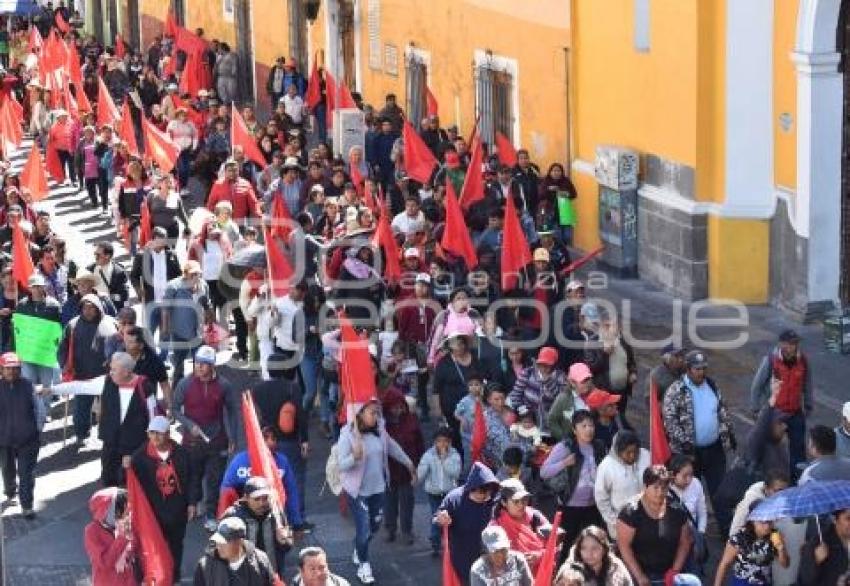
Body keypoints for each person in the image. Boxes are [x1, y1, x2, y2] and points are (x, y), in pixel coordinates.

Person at [337, 399, 416, 584]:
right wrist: (353, 458)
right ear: (360, 414)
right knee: (364, 529)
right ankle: (364, 566)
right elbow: (341, 465)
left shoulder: (379, 430)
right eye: (372, 412)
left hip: (378, 489)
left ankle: (359, 548)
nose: (376, 416)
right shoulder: (347, 434)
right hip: (357, 492)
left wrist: (408, 463)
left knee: (373, 527)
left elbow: (392, 448)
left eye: (377, 412)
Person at [173, 345, 239, 532]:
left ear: (212, 366)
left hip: (218, 439)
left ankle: (211, 514)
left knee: (214, 479)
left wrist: (233, 436)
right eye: (197, 363)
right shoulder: (184, 384)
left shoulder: (224, 385)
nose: (199, 368)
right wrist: (188, 424)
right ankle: (193, 504)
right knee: (193, 476)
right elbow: (175, 409)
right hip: (192, 441)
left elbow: (233, 411)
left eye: (203, 364)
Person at [662, 350, 736, 505]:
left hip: (715, 450)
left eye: (704, 368)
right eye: (697, 369)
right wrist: (685, 443)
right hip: (689, 453)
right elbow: (669, 421)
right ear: (688, 369)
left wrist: (728, 433)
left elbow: (722, 410)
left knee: (720, 493)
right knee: (689, 496)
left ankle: (725, 527)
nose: (701, 372)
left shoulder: (712, 385)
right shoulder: (676, 390)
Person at [131, 415, 197, 582]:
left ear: (168, 434)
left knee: (176, 545)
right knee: (153, 545)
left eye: (158, 433)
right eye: (151, 433)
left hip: (177, 509)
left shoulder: (182, 454)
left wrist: (192, 503)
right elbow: (129, 479)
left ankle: (174, 577)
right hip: (153, 511)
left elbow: (192, 479)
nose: (154, 437)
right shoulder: (140, 456)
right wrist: (124, 466)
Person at [250, 353, 311, 531]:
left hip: (265, 441)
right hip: (289, 440)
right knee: (296, 479)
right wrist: (305, 439)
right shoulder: (292, 388)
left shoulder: (258, 389)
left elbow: (255, 416)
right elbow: (300, 415)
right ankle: (297, 519)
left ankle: (273, 516)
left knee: (268, 478)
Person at [540, 409, 606, 551]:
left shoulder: (598, 446)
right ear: (574, 429)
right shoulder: (565, 447)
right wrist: (564, 463)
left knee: (594, 543)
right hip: (570, 506)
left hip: (593, 505)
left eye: (591, 426)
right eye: (583, 426)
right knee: (566, 545)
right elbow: (544, 472)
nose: (589, 430)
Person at [750, 329, 812, 479]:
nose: (793, 347)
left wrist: (808, 403)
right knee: (769, 447)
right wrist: (756, 409)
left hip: (795, 412)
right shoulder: (770, 361)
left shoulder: (803, 360)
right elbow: (757, 386)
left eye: (795, 344)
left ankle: (797, 480)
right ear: (781, 344)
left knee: (798, 450)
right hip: (775, 413)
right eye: (790, 343)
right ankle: (761, 477)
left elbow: (807, 383)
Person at [617, 466, 692, 586]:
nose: (660, 492)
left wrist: (674, 571)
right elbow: (624, 546)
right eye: (655, 487)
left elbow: (685, 541)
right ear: (645, 487)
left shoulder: (676, 508)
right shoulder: (630, 512)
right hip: (639, 573)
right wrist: (640, 577)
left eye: (664, 487)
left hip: (670, 571)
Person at [59, 294, 117, 447]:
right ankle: (81, 433)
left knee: (109, 408)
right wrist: (64, 364)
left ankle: (108, 436)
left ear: (98, 308)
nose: (88, 311)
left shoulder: (111, 323)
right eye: (85, 307)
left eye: (92, 307)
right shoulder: (72, 325)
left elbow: (121, 345)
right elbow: (63, 348)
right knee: (81, 410)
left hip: (107, 375)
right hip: (82, 374)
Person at [218, 427, 302, 528]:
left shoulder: (282, 462)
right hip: (244, 516)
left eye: (273, 438)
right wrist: (225, 524)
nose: (270, 442)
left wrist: (296, 522)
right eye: (265, 438)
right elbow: (226, 492)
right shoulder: (239, 461)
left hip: (273, 514)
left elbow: (291, 492)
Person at [436, 461, 501, 584]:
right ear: (471, 488)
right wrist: (441, 519)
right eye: (481, 493)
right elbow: (438, 518)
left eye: (488, 492)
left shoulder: (493, 499)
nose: (484, 496)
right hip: (462, 558)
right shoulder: (454, 499)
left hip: (489, 559)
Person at [97, 352, 156, 487]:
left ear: (126, 372)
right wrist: (51, 389)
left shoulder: (145, 387)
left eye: (114, 370)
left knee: (133, 485)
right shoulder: (107, 381)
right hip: (111, 445)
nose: (110, 373)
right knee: (108, 480)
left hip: (134, 448)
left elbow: (154, 418)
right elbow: (81, 385)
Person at [0, 352, 45, 519]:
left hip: (28, 440)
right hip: (4, 440)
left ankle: (27, 506)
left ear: (20, 369)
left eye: (14, 368)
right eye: (7, 369)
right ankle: (10, 491)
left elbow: (39, 410)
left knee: (27, 474)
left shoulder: (29, 386)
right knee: (7, 470)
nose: (11, 372)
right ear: (1, 370)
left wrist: (37, 430)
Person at [220, 476, 293, 576]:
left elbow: (287, 547)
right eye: (257, 499)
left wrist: (284, 541)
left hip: (271, 576)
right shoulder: (232, 517)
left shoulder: (276, 515)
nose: (261, 503)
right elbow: (217, 550)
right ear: (246, 498)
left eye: (265, 498)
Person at [381, 388, 424, 545]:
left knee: (407, 501)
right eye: (395, 407)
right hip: (389, 470)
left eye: (401, 407)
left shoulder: (411, 420)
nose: (398, 410)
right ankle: (390, 528)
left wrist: (418, 463)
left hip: (407, 469)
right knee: (389, 501)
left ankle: (406, 530)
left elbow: (419, 442)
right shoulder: (382, 424)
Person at [713, 504, 789, 586]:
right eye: (762, 522)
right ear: (753, 521)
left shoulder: (774, 536)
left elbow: (785, 564)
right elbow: (724, 565)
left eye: (769, 521)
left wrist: (781, 548)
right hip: (743, 583)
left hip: (765, 582)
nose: (767, 526)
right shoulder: (739, 539)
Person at [594, 430, 650, 539]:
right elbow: (601, 499)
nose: (632, 456)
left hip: (647, 522)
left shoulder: (646, 455)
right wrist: (615, 521)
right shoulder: (606, 467)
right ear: (618, 452)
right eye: (628, 453)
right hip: (621, 526)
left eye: (635, 451)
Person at [162, 261, 210, 385]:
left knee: (200, 364)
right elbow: (165, 308)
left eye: (198, 274)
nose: (196, 277)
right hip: (179, 332)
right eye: (193, 274)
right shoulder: (173, 286)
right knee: (178, 364)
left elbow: (207, 304)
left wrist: (211, 323)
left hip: (198, 332)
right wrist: (165, 329)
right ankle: (176, 391)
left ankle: (197, 389)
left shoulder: (203, 285)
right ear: (185, 274)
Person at [489, 478, 551, 574]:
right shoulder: (495, 526)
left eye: (524, 500)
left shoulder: (536, 518)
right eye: (516, 501)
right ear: (504, 502)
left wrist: (540, 556)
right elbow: (492, 558)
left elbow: (555, 546)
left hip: (540, 577)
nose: (521, 505)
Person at [417, 426, 462, 556]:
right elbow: (422, 470)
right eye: (439, 441)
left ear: (449, 442)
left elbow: (455, 473)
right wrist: (419, 476)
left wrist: (444, 461)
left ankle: (451, 542)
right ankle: (435, 543)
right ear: (434, 442)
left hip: (449, 493)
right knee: (436, 517)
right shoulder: (429, 455)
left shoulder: (454, 455)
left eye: (445, 441)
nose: (442, 444)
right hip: (434, 493)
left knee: (451, 518)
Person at [193, 517, 277, 585]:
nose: (219, 545)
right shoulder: (205, 565)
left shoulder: (261, 560)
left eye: (224, 542)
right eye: (218, 541)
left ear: (240, 541)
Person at [84, 487, 138, 586]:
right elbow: (105, 562)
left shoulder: (127, 525)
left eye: (128, 512)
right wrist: (122, 537)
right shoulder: (92, 532)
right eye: (124, 513)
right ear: (109, 513)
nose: (127, 516)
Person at [509, 346, 568, 433]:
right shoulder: (527, 372)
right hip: (529, 420)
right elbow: (515, 395)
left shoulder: (560, 376)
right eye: (541, 364)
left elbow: (561, 399)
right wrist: (525, 414)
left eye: (547, 365)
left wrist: (548, 381)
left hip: (550, 421)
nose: (544, 367)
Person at [668, 454, 708, 574]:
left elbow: (702, 512)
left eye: (691, 474)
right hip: (672, 543)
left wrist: (700, 534)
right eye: (685, 476)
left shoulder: (696, 484)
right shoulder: (664, 489)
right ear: (673, 475)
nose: (689, 480)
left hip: (692, 539)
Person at [556, 525, 633, 586]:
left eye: (594, 548)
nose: (589, 553)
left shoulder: (616, 566)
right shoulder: (569, 571)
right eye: (583, 548)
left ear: (604, 549)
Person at [799, 508, 850, 586]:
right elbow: (804, 580)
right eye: (848, 518)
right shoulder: (817, 543)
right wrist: (816, 561)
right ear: (835, 520)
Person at [88, 242, 129, 310]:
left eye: (98, 255)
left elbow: (123, 296)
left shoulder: (118, 273)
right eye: (95, 254)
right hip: (93, 309)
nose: (95, 257)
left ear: (107, 256)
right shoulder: (90, 269)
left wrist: (106, 296)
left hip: (110, 309)